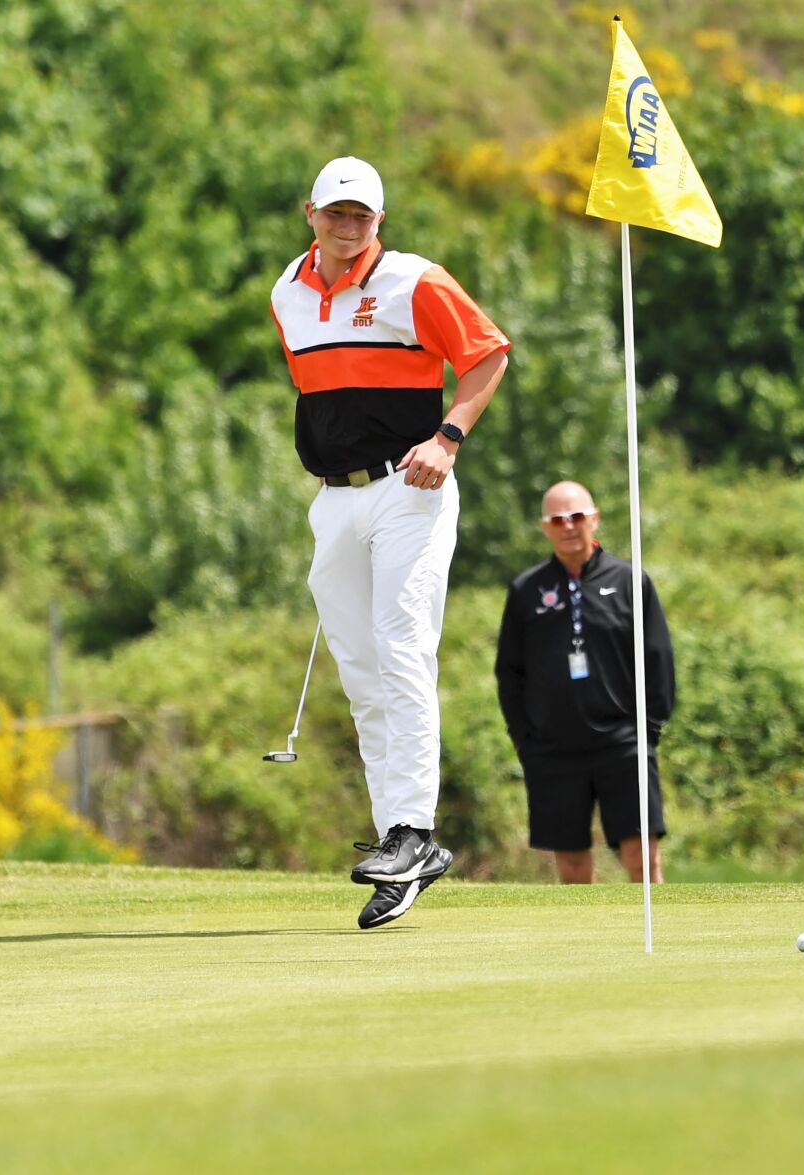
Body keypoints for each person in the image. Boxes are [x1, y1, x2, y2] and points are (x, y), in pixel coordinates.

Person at [269, 156, 511, 928]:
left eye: (362, 216)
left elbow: (487, 353)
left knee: (402, 644)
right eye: (335, 213)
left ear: (380, 220)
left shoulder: (415, 280)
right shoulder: (287, 292)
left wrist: (447, 438)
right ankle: (398, 845)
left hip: (411, 486)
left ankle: (413, 829)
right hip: (333, 500)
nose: (348, 227)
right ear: (311, 212)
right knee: (363, 672)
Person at [494, 481, 676, 884]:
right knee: (573, 866)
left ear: (594, 519)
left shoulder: (630, 580)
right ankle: (589, 945)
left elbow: (658, 657)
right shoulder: (527, 590)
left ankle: (659, 942)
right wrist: (526, 740)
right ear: (545, 527)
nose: (569, 527)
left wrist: (649, 730)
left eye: (576, 517)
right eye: (558, 519)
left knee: (642, 857)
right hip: (554, 749)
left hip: (623, 742)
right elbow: (510, 672)